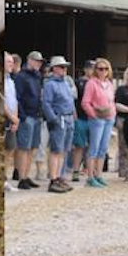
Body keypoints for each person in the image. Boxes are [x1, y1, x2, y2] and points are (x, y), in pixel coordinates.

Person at [40, 56, 76, 193]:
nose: (64, 69)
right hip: (59, 118)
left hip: (68, 118)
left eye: (65, 67)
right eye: (61, 67)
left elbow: (70, 101)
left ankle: (59, 177)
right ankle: (53, 179)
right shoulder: (50, 84)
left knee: (63, 150)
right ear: (54, 68)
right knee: (56, 150)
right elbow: (46, 103)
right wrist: (53, 119)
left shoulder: (65, 83)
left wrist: (73, 116)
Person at [82, 58, 117, 188]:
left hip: (108, 118)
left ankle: (99, 175)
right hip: (97, 119)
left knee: (103, 148)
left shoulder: (109, 84)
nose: (103, 71)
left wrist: (112, 114)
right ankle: (90, 177)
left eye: (106, 69)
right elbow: (85, 102)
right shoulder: (91, 83)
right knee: (94, 148)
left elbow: (112, 101)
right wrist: (93, 115)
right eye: (100, 68)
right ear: (95, 70)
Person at [13, 51, 45, 190]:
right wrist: (23, 116)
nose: (38, 63)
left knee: (33, 147)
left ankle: (26, 175)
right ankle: (21, 177)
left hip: (36, 115)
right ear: (29, 60)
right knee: (23, 147)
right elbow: (17, 97)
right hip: (27, 116)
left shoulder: (38, 76)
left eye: (40, 61)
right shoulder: (21, 77)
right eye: (36, 61)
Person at [70, 60, 95, 182]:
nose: (92, 71)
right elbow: (73, 99)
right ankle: (75, 170)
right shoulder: (78, 82)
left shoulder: (97, 83)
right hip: (81, 117)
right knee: (79, 146)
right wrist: (74, 114)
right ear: (85, 69)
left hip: (94, 118)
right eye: (90, 68)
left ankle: (91, 171)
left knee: (92, 146)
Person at [1, 52, 21, 192]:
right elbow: (2, 101)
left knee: (9, 150)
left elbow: (14, 101)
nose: (11, 64)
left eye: (12, 62)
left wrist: (16, 119)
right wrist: (11, 117)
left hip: (12, 119)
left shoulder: (11, 81)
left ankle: (5, 180)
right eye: (8, 62)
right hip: (4, 118)